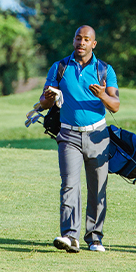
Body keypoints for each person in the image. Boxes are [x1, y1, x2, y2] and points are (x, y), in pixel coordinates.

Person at [39, 25, 120, 253]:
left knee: (97, 188)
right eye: (78, 38)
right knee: (69, 184)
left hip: (98, 135)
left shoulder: (105, 69)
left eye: (86, 39)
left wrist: (102, 94)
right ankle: (70, 236)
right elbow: (45, 102)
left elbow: (115, 104)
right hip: (68, 134)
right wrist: (47, 98)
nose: (81, 43)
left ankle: (94, 237)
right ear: (73, 40)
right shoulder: (60, 67)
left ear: (93, 44)